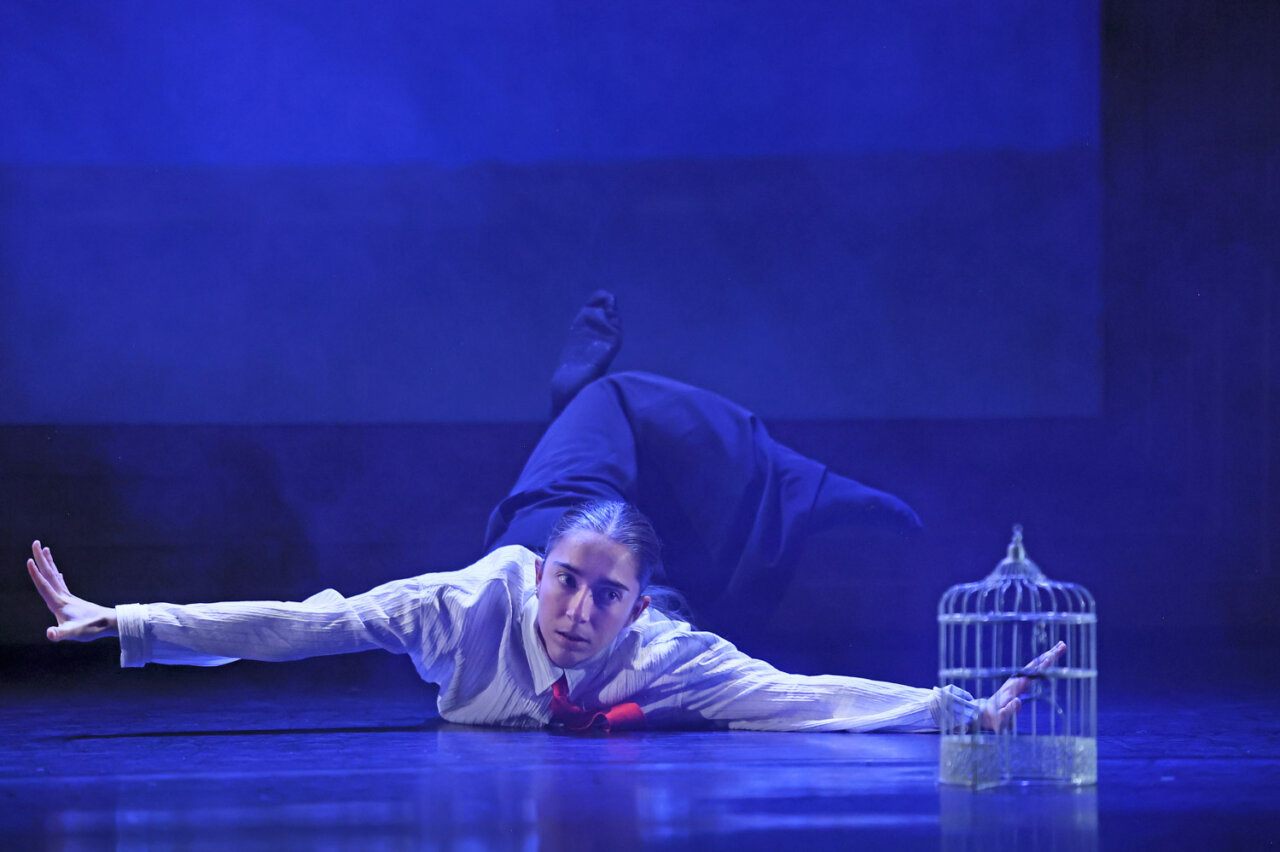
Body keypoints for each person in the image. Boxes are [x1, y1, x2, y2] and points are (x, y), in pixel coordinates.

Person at [23, 294, 1065, 732]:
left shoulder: (662, 650)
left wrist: (962, 711)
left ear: (637, 610)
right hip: (552, 503)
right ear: (538, 578)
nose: (575, 611)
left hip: (619, 542)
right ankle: (578, 399)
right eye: (566, 586)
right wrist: (126, 622)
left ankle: (797, 485)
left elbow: (800, 699)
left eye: (604, 599)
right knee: (609, 407)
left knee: (642, 419)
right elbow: (306, 623)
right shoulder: (464, 603)